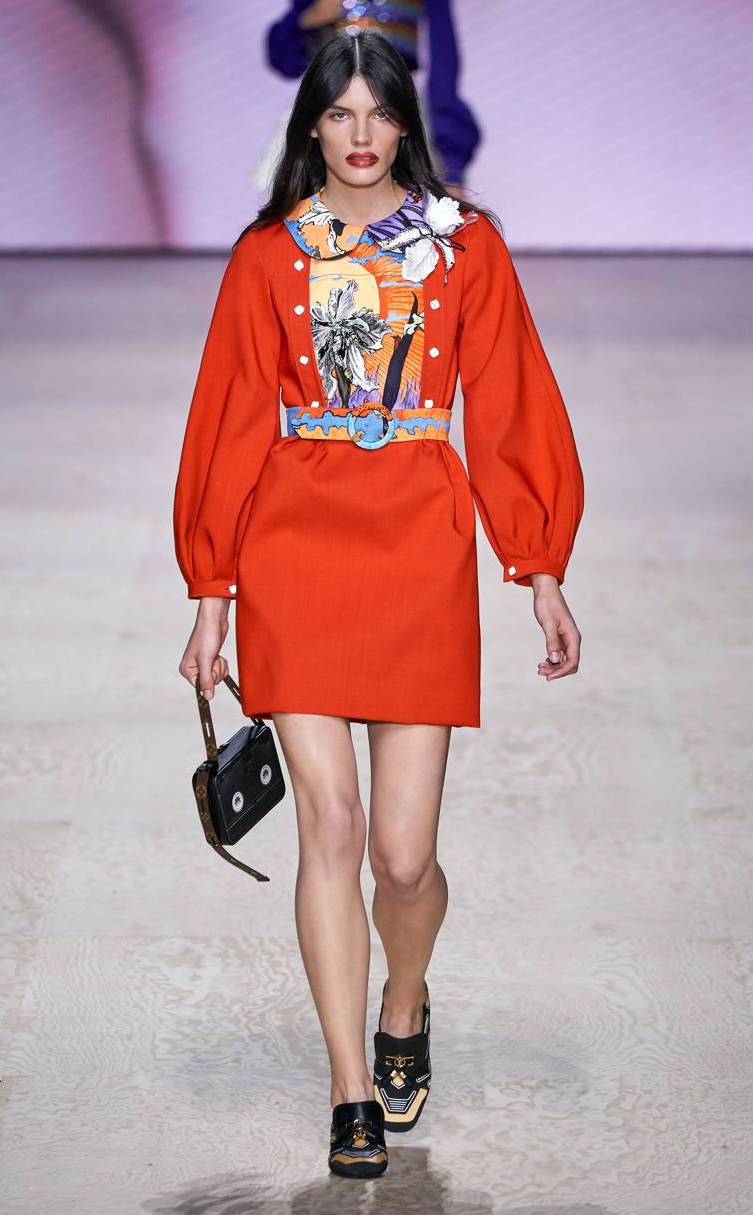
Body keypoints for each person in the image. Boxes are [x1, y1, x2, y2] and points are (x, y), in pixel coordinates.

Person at [173, 30, 584, 1180]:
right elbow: (229, 417)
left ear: (408, 122)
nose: (361, 135)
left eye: (380, 113)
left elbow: (509, 400)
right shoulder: (270, 254)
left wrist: (539, 566)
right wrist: (211, 594)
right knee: (335, 828)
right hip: (295, 548)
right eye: (340, 113)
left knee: (403, 860)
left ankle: (406, 1002)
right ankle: (350, 1087)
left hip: (417, 548)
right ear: (312, 123)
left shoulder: (465, 245)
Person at [265, 0, 481, 191]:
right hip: (330, 106)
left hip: (396, 108)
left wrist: (450, 165)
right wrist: (308, 20)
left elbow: (442, 61)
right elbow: (285, 60)